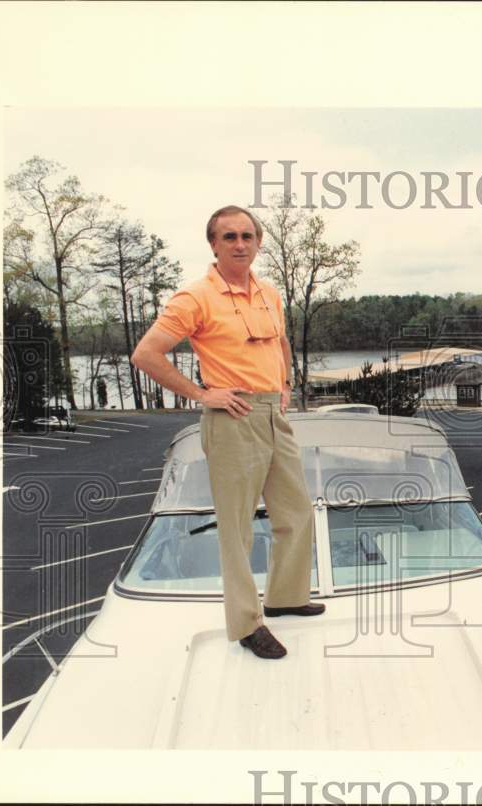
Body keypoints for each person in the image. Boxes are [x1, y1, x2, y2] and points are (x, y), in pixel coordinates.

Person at [131, 205, 324, 660]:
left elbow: (278, 340)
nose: (240, 244)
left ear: (258, 242)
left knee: (296, 511)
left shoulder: (268, 293)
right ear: (214, 245)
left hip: (272, 412)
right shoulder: (195, 298)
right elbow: (146, 354)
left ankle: (285, 597)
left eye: (247, 236)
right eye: (229, 237)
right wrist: (202, 395)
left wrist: (284, 385)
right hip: (232, 415)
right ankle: (245, 624)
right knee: (238, 529)